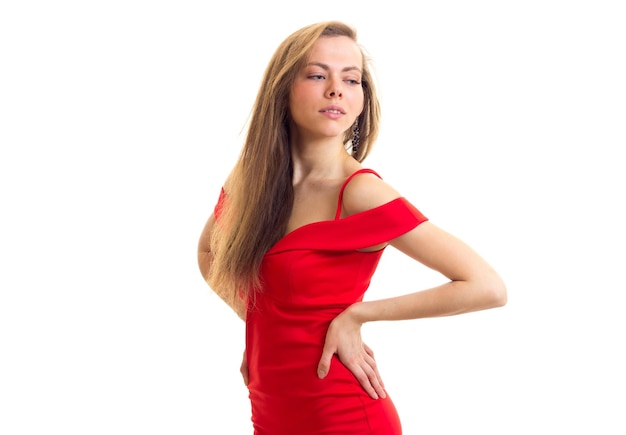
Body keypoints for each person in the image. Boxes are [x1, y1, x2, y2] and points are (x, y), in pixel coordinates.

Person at [197, 20, 507, 435]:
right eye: (317, 74)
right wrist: (260, 323)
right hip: (272, 411)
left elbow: (486, 285)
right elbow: (209, 254)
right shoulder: (250, 182)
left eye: (351, 78)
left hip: (343, 414)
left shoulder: (361, 193)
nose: (336, 90)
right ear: (283, 86)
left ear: (363, 97)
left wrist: (357, 315)